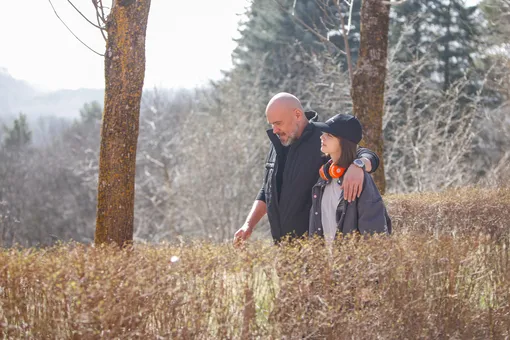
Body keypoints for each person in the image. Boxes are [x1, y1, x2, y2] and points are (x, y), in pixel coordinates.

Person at [234, 92, 381, 244]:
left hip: (314, 251)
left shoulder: (323, 138)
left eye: (278, 123)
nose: (275, 130)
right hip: (281, 249)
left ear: (297, 114)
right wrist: (249, 224)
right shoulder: (277, 142)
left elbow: (364, 153)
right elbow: (268, 190)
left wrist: (358, 165)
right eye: (271, 124)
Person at [309, 113, 391, 243]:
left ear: (343, 143)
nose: (322, 137)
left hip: (351, 262)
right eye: (324, 133)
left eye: (329, 135)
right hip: (326, 261)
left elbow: (375, 235)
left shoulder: (361, 180)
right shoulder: (324, 177)